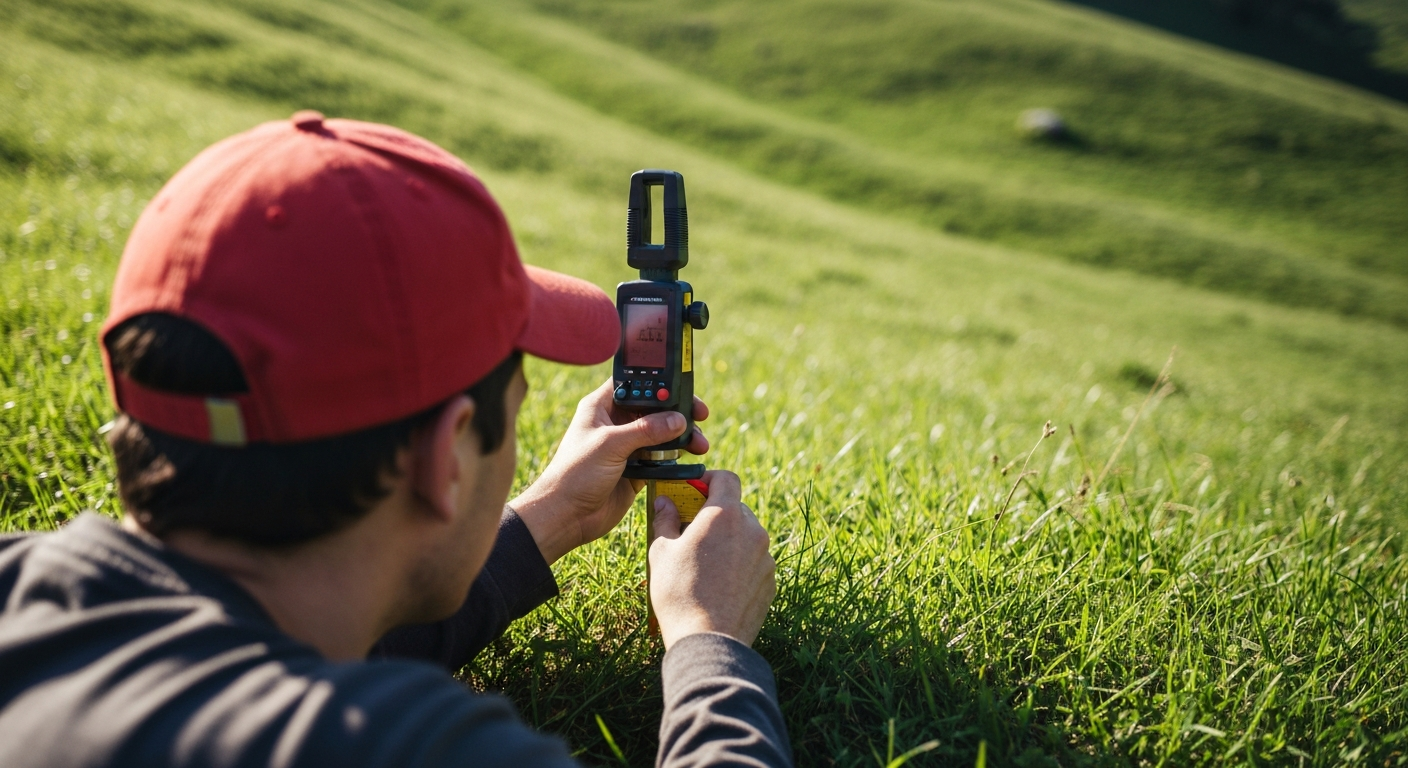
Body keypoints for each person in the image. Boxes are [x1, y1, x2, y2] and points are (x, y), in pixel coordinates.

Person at [0, 111, 790, 767]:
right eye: (513, 413)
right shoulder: (402, 746)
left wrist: (548, 517)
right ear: (447, 455)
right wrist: (709, 646)